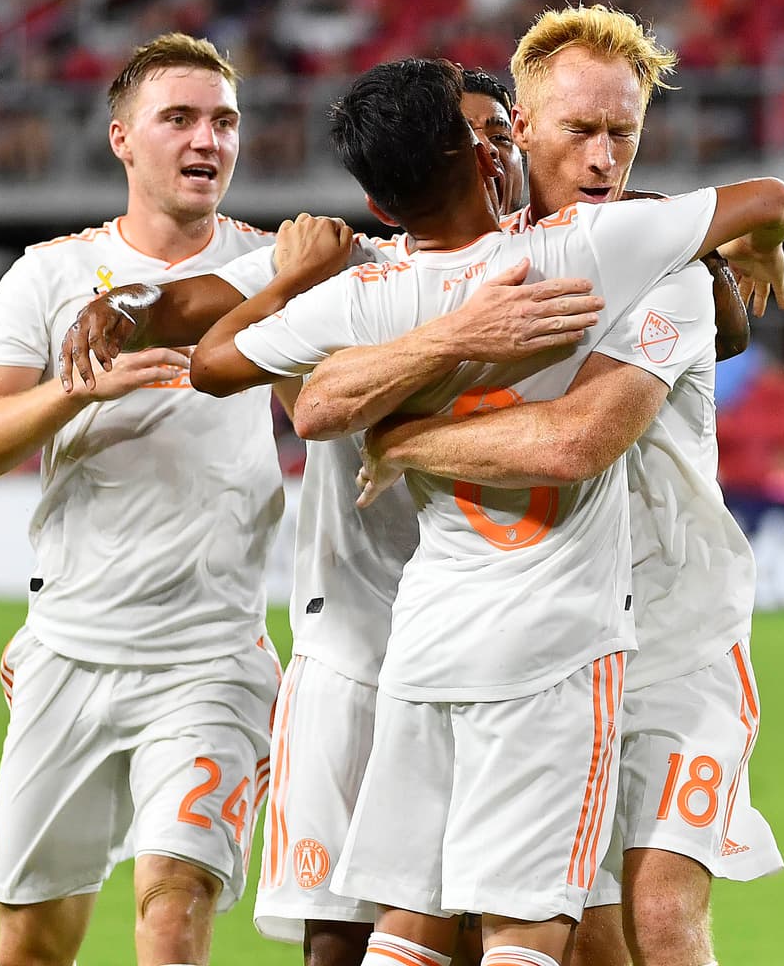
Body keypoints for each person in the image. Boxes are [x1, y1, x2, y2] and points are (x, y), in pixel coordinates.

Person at [185, 57, 784, 966]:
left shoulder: (628, 252)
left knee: (638, 919)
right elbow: (325, 407)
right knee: (537, 929)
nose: (601, 156)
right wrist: (458, 337)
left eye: (620, 134)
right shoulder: (575, 257)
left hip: (663, 635)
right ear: (511, 137)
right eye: (577, 131)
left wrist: (402, 440)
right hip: (546, 639)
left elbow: (307, 402)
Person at [57, 67, 602, 966]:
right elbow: (193, 310)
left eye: (505, 134)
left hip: (504, 645)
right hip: (353, 644)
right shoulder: (353, 271)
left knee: (497, 925)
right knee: (341, 939)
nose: (495, 152)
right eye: (476, 136)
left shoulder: (567, 262)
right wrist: (124, 300)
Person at [0, 33, 286, 966]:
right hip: (72, 656)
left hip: (212, 658)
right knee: (35, 944)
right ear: (122, 138)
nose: (205, 139)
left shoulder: (276, 273)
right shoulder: (49, 277)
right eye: (178, 118)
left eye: (223, 121)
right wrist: (74, 393)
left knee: (173, 907)